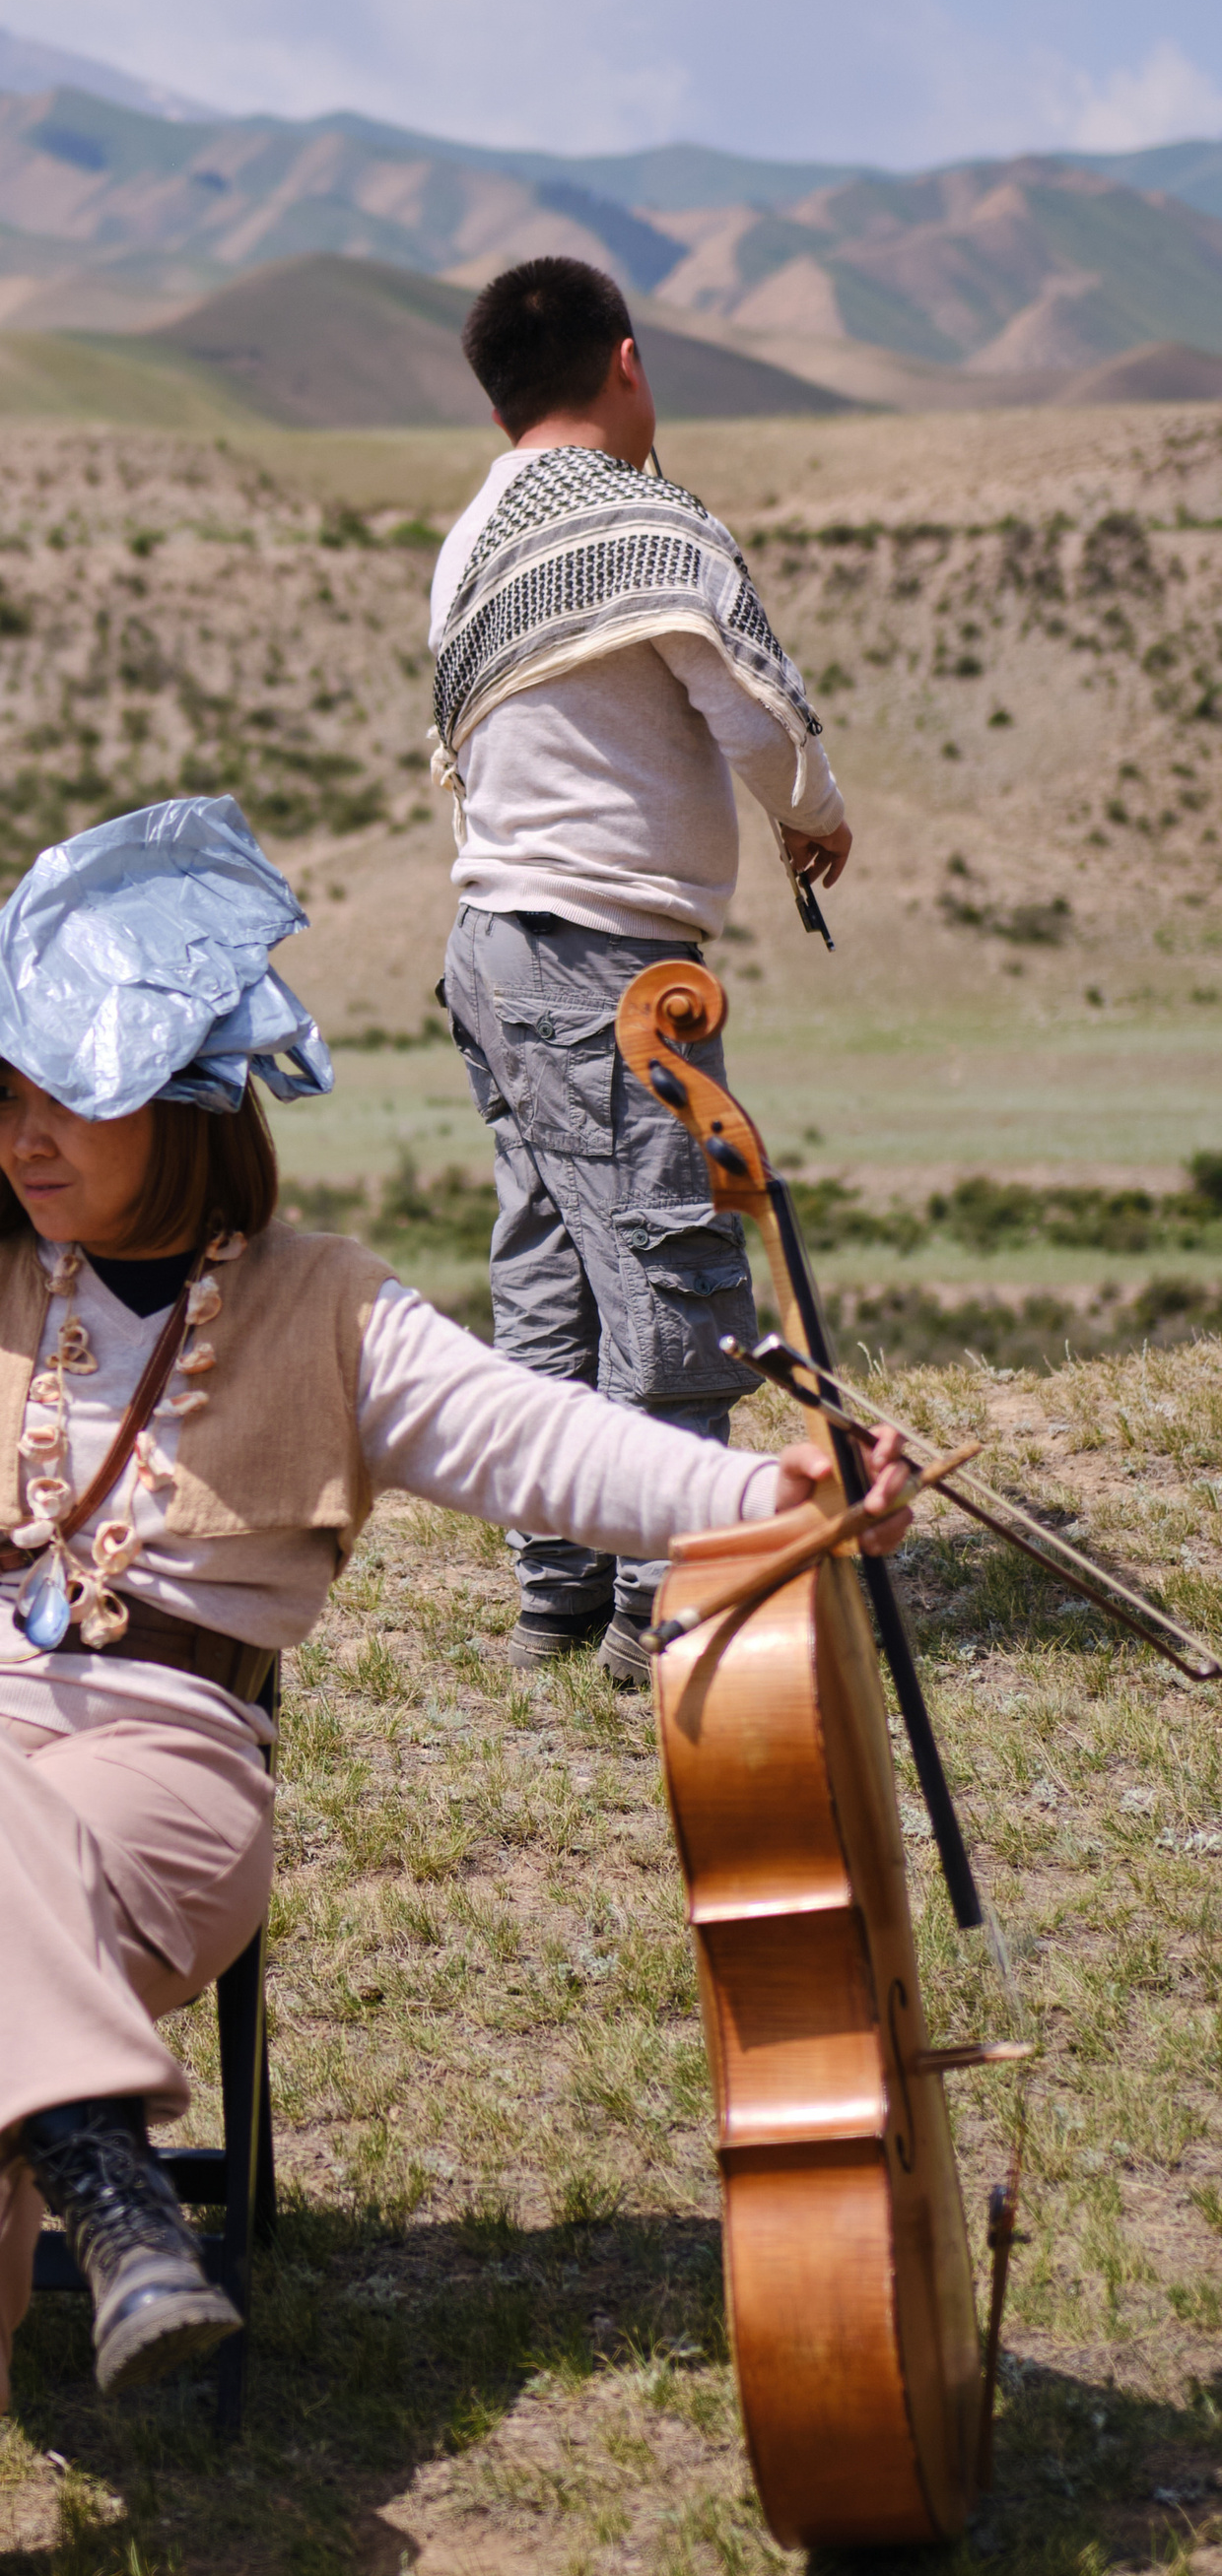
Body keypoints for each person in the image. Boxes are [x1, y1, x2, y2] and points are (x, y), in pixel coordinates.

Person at [0, 793, 910, 2576]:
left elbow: (542, 1445)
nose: (22, 1136)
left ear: (188, 1101)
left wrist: (760, 1490)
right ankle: (112, 2182)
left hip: (153, 1785)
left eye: (69, 1094)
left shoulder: (329, 1312)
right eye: (4, 1098)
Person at [430, 254, 854, 1687]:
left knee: (549, 1267)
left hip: (489, 943)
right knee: (673, 1269)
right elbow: (750, 707)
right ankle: (661, 1611)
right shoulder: (643, 515)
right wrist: (815, 812)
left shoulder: (473, 528)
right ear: (624, 362)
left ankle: (556, 1596)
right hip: (606, 957)